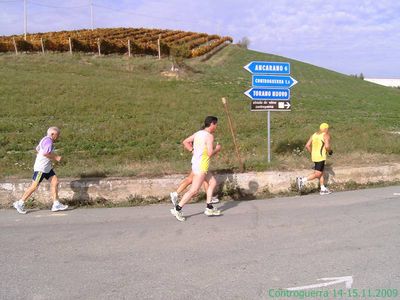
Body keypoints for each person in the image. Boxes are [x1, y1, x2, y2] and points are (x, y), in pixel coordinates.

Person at [170, 116, 222, 221]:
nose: (216, 127)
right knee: (193, 190)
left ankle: (209, 207)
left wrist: (192, 150)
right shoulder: (209, 136)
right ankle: (177, 209)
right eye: (216, 124)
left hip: (196, 163)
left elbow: (185, 141)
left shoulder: (198, 133)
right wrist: (217, 149)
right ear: (212, 124)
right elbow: (209, 153)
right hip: (201, 166)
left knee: (212, 183)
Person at [13, 127, 68, 214]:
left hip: (47, 168)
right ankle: (20, 203)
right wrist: (56, 157)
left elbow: (37, 149)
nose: (58, 137)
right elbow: (46, 153)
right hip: (41, 169)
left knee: (55, 182)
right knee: (34, 186)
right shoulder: (49, 141)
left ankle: (56, 204)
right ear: (53, 134)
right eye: (58, 135)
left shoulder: (44, 139)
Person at [296, 123, 333, 195]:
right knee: (318, 173)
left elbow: (307, 146)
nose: (328, 130)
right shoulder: (325, 135)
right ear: (326, 129)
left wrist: (312, 153)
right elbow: (327, 146)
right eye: (328, 128)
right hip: (320, 157)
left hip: (314, 156)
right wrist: (330, 151)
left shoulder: (314, 134)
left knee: (321, 172)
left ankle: (322, 189)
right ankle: (302, 180)